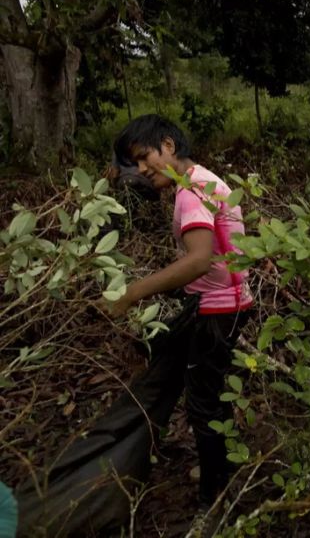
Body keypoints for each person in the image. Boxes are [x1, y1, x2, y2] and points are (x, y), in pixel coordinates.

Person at [106, 114, 253, 505]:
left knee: (203, 404)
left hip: (217, 310)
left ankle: (214, 498)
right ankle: (220, 466)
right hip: (227, 303)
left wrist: (132, 293)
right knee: (207, 390)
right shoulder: (202, 178)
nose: (141, 169)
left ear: (168, 146)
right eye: (134, 163)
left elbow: (199, 259)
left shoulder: (192, 192)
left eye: (143, 157)